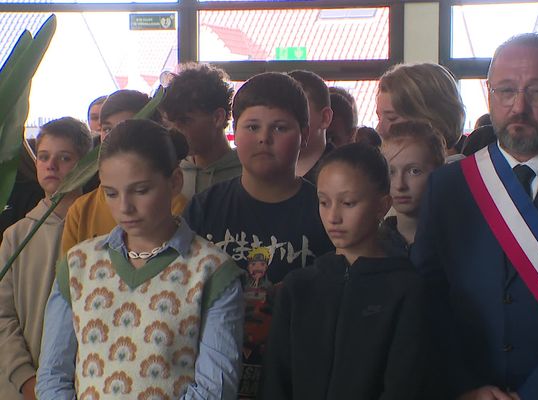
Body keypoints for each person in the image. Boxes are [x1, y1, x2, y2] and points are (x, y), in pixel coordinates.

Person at [411, 33, 538, 399]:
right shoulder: (450, 186)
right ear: (488, 93)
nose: (519, 107)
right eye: (506, 90)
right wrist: (464, 384)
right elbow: (427, 297)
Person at [36, 119, 244, 400]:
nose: (124, 207)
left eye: (141, 190)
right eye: (111, 193)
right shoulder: (78, 265)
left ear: (174, 182)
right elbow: (52, 375)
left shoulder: (211, 271)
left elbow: (214, 389)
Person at [184, 72, 333, 399]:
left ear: (304, 135)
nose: (265, 137)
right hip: (212, 380)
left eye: (280, 127)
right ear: (234, 133)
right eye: (252, 127)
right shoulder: (203, 209)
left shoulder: (326, 212)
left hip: (297, 381)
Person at [262, 143, 429, 400]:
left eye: (348, 203)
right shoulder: (298, 287)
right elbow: (276, 382)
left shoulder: (406, 289)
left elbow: (404, 386)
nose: (333, 217)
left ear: (382, 206)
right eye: (324, 202)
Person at [0, 117, 92, 400]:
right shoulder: (16, 235)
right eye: (43, 156)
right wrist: (26, 378)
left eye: (64, 158)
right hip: (23, 385)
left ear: (87, 164)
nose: (51, 165)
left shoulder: (102, 226)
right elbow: (3, 316)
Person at [61, 89, 188, 255]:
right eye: (107, 129)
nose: (124, 208)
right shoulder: (81, 210)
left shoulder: (177, 206)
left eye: (142, 191)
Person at [161, 62, 242, 198]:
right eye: (170, 123)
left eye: (184, 121)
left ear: (217, 117)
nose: (174, 131)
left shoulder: (249, 175)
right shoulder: (168, 175)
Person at [378, 121, 445, 257]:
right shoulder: (372, 247)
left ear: (439, 171)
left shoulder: (457, 243)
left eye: (414, 171)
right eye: (391, 172)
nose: (400, 185)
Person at [376, 62, 465, 154]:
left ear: (434, 120)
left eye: (392, 118)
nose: (379, 130)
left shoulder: (463, 168)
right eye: (379, 118)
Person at [288, 70, 333, 183]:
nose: (284, 121)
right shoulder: (264, 173)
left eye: (296, 112)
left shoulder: (345, 175)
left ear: (325, 118)